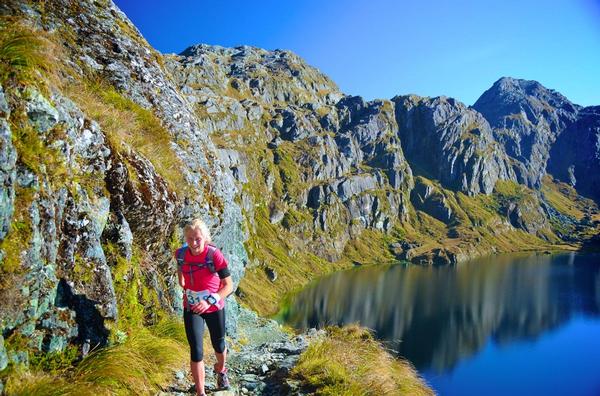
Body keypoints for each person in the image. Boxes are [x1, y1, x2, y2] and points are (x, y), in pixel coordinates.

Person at [176, 219, 233, 396]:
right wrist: (182, 282)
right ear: (185, 238)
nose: (194, 243)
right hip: (192, 308)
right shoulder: (180, 254)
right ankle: (201, 392)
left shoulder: (214, 255)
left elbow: (228, 285)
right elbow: (180, 268)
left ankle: (221, 370)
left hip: (214, 307)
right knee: (196, 350)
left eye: (198, 239)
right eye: (190, 239)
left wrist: (209, 300)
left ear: (205, 238)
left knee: (219, 343)